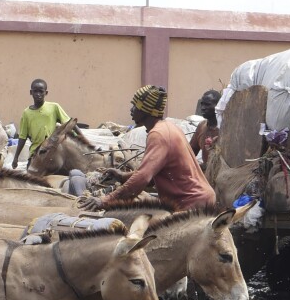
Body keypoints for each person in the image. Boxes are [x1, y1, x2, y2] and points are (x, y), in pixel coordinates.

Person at [83, 85, 214, 212]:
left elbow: (143, 178)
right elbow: (151, 175)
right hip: (200, 199)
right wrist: (123, 176)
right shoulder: (168, 127)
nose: (131, 110)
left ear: (145, 109)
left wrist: (105, 200)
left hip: (191, 203)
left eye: (135, 106)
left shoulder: (158, 134)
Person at [14, 78, 70, 165]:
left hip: (52, 151)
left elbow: (68, 123)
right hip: (36, 152)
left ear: (46, 93)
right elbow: (22, 137)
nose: (38, 94)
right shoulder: (26, 113)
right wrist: (16, 157)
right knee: (32, 174)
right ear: (31, 92)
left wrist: (79, 136)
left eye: (41, 91)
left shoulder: (54, 107)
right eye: (35, 91)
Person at [190, 89, 221, 163]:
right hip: (206, 173)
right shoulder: (201, 126)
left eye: (207, 104)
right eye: (202, 104)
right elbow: (190, 153)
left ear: (218, 106)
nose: (203, 108)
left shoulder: (225, 128)